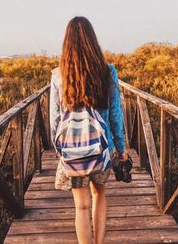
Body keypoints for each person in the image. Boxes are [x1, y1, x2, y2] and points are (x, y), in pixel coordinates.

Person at [50, 16, 128, 244]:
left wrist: (61, 152)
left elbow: (54, 120)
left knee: (81, 206)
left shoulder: (58, 75)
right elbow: (115, 115)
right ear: (93, 41)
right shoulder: (107, 71)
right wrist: (121, 149)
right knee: (99, 195)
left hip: (73, 152)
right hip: (103, 150)